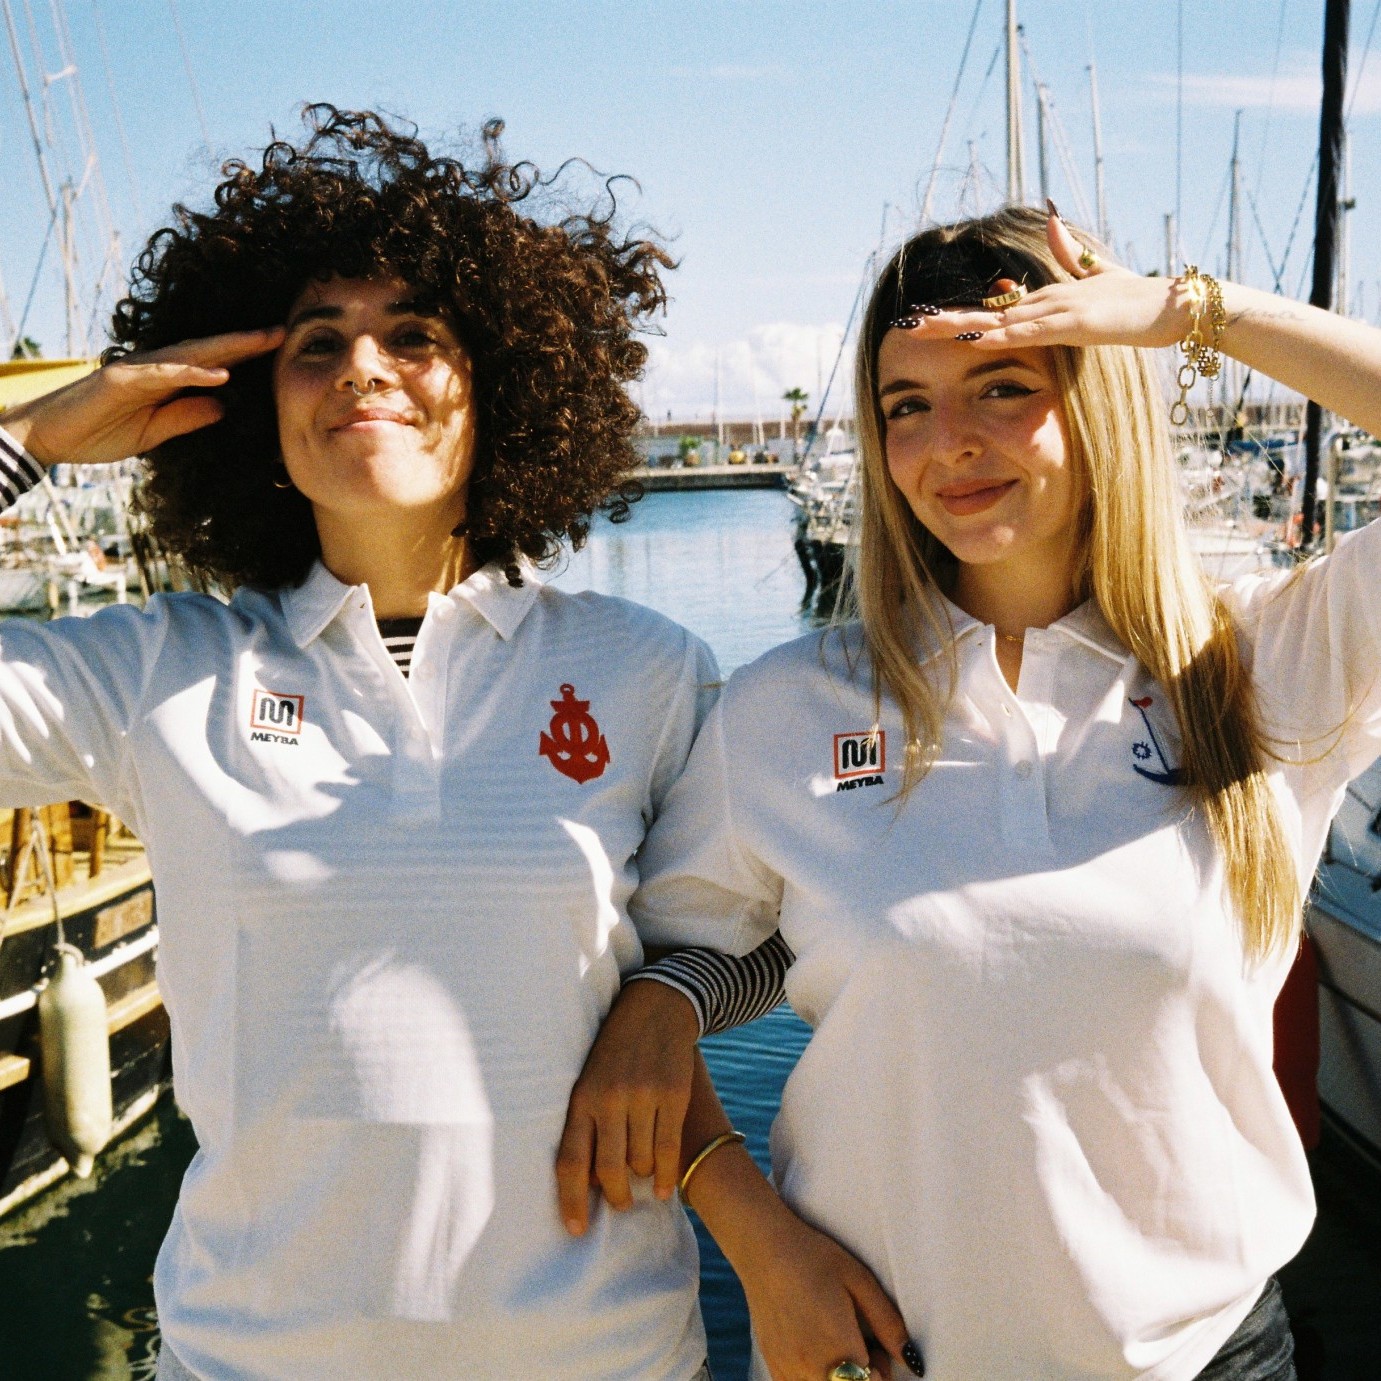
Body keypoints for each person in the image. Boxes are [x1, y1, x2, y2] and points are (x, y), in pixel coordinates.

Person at [0, 104, 775, 1381]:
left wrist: (666, 1000)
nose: (364, 367)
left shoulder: (646, 668)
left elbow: (789, 925)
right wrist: (33, 443)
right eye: (317, 343)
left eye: (414, 334)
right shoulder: (162, 672)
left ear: (500, 385)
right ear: (251, 407)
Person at [563, 203, 1381, 1380]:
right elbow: (651, 984)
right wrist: (760, 1246)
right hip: (875, 1358)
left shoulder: (1261, 670)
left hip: (1207, 1357)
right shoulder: (785, 708)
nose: (948, 442)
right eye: (906, 405)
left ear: (1098, 398)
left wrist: (1191, 313)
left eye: (1001, 387)